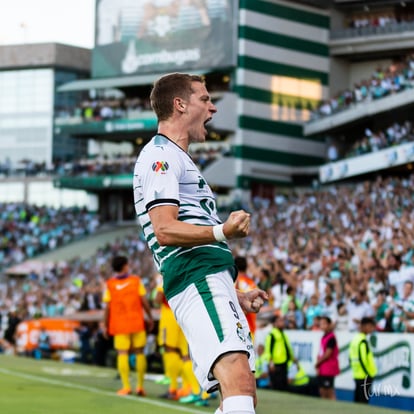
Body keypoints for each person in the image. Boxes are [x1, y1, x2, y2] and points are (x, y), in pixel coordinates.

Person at [133, 72, 268, 414]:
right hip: (196, 274)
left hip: (208, 277)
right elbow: (164, 228)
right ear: (180, 105)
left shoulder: (178, 158)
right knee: (237, 378)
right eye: (205, 99)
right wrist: (223, 231)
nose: (213, 108)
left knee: (242, 391)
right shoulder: (159, 155)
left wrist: (234, 292)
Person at [103, 255, 154, 396]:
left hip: (119, 324)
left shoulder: (110, 284)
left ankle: (126, 387)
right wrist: (149, 317)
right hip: (136, 321)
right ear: (125, 266)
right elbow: (144, 301)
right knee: (139, 353)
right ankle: (140, 386)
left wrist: (104, 324)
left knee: (122, 353)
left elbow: (107, 307)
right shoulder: (136, 281)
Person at [349, 317, 377, 404]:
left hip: (357, 373)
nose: (372, 329)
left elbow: (350, 357)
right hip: (364, 375)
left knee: (357, 400)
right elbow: (362, 359)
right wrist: (368, 374)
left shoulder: (355, 339)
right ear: (364, 326)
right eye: (371, 326)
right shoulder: (362, 341)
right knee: (363, 401)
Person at [263, 315, 295, 392]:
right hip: (276, 364)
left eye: (282, 321)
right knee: (277, 385)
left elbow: (287, 347)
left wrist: (292, 358)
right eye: (280, 321)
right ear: (274, 323)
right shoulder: (272, 335)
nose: (282, 323)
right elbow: (268, 350)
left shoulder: (282, 334)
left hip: (284, 362)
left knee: (283, 385)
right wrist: (271, 363)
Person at [315, 316, 339, 400]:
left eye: (324, 323)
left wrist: (318, 363)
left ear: (329, 325)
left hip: (329, 368)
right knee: (322, 390)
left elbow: (327, 354)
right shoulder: (324, 337)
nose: (322, 326)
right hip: (323, 368)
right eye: (321, 324)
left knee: (329, 391)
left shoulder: (331, 337)